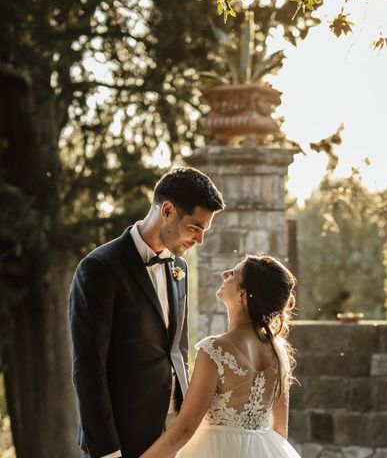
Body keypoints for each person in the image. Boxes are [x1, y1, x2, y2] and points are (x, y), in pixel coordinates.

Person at [69, 167, 225, 458]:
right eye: (195, 227)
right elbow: (88, 369)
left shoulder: (180, 267)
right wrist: (107, 451)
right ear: (167, 210)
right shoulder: (100, 268)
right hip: (123, 437)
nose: (200, 240)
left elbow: (177, 348)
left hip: (175, 433)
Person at [140, 254, 301, 458]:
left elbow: (185, 430)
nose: (224, 274)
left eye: (233, 273)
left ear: (243, 295)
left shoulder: (215, 350)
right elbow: (280, 430)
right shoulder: (278, 352)